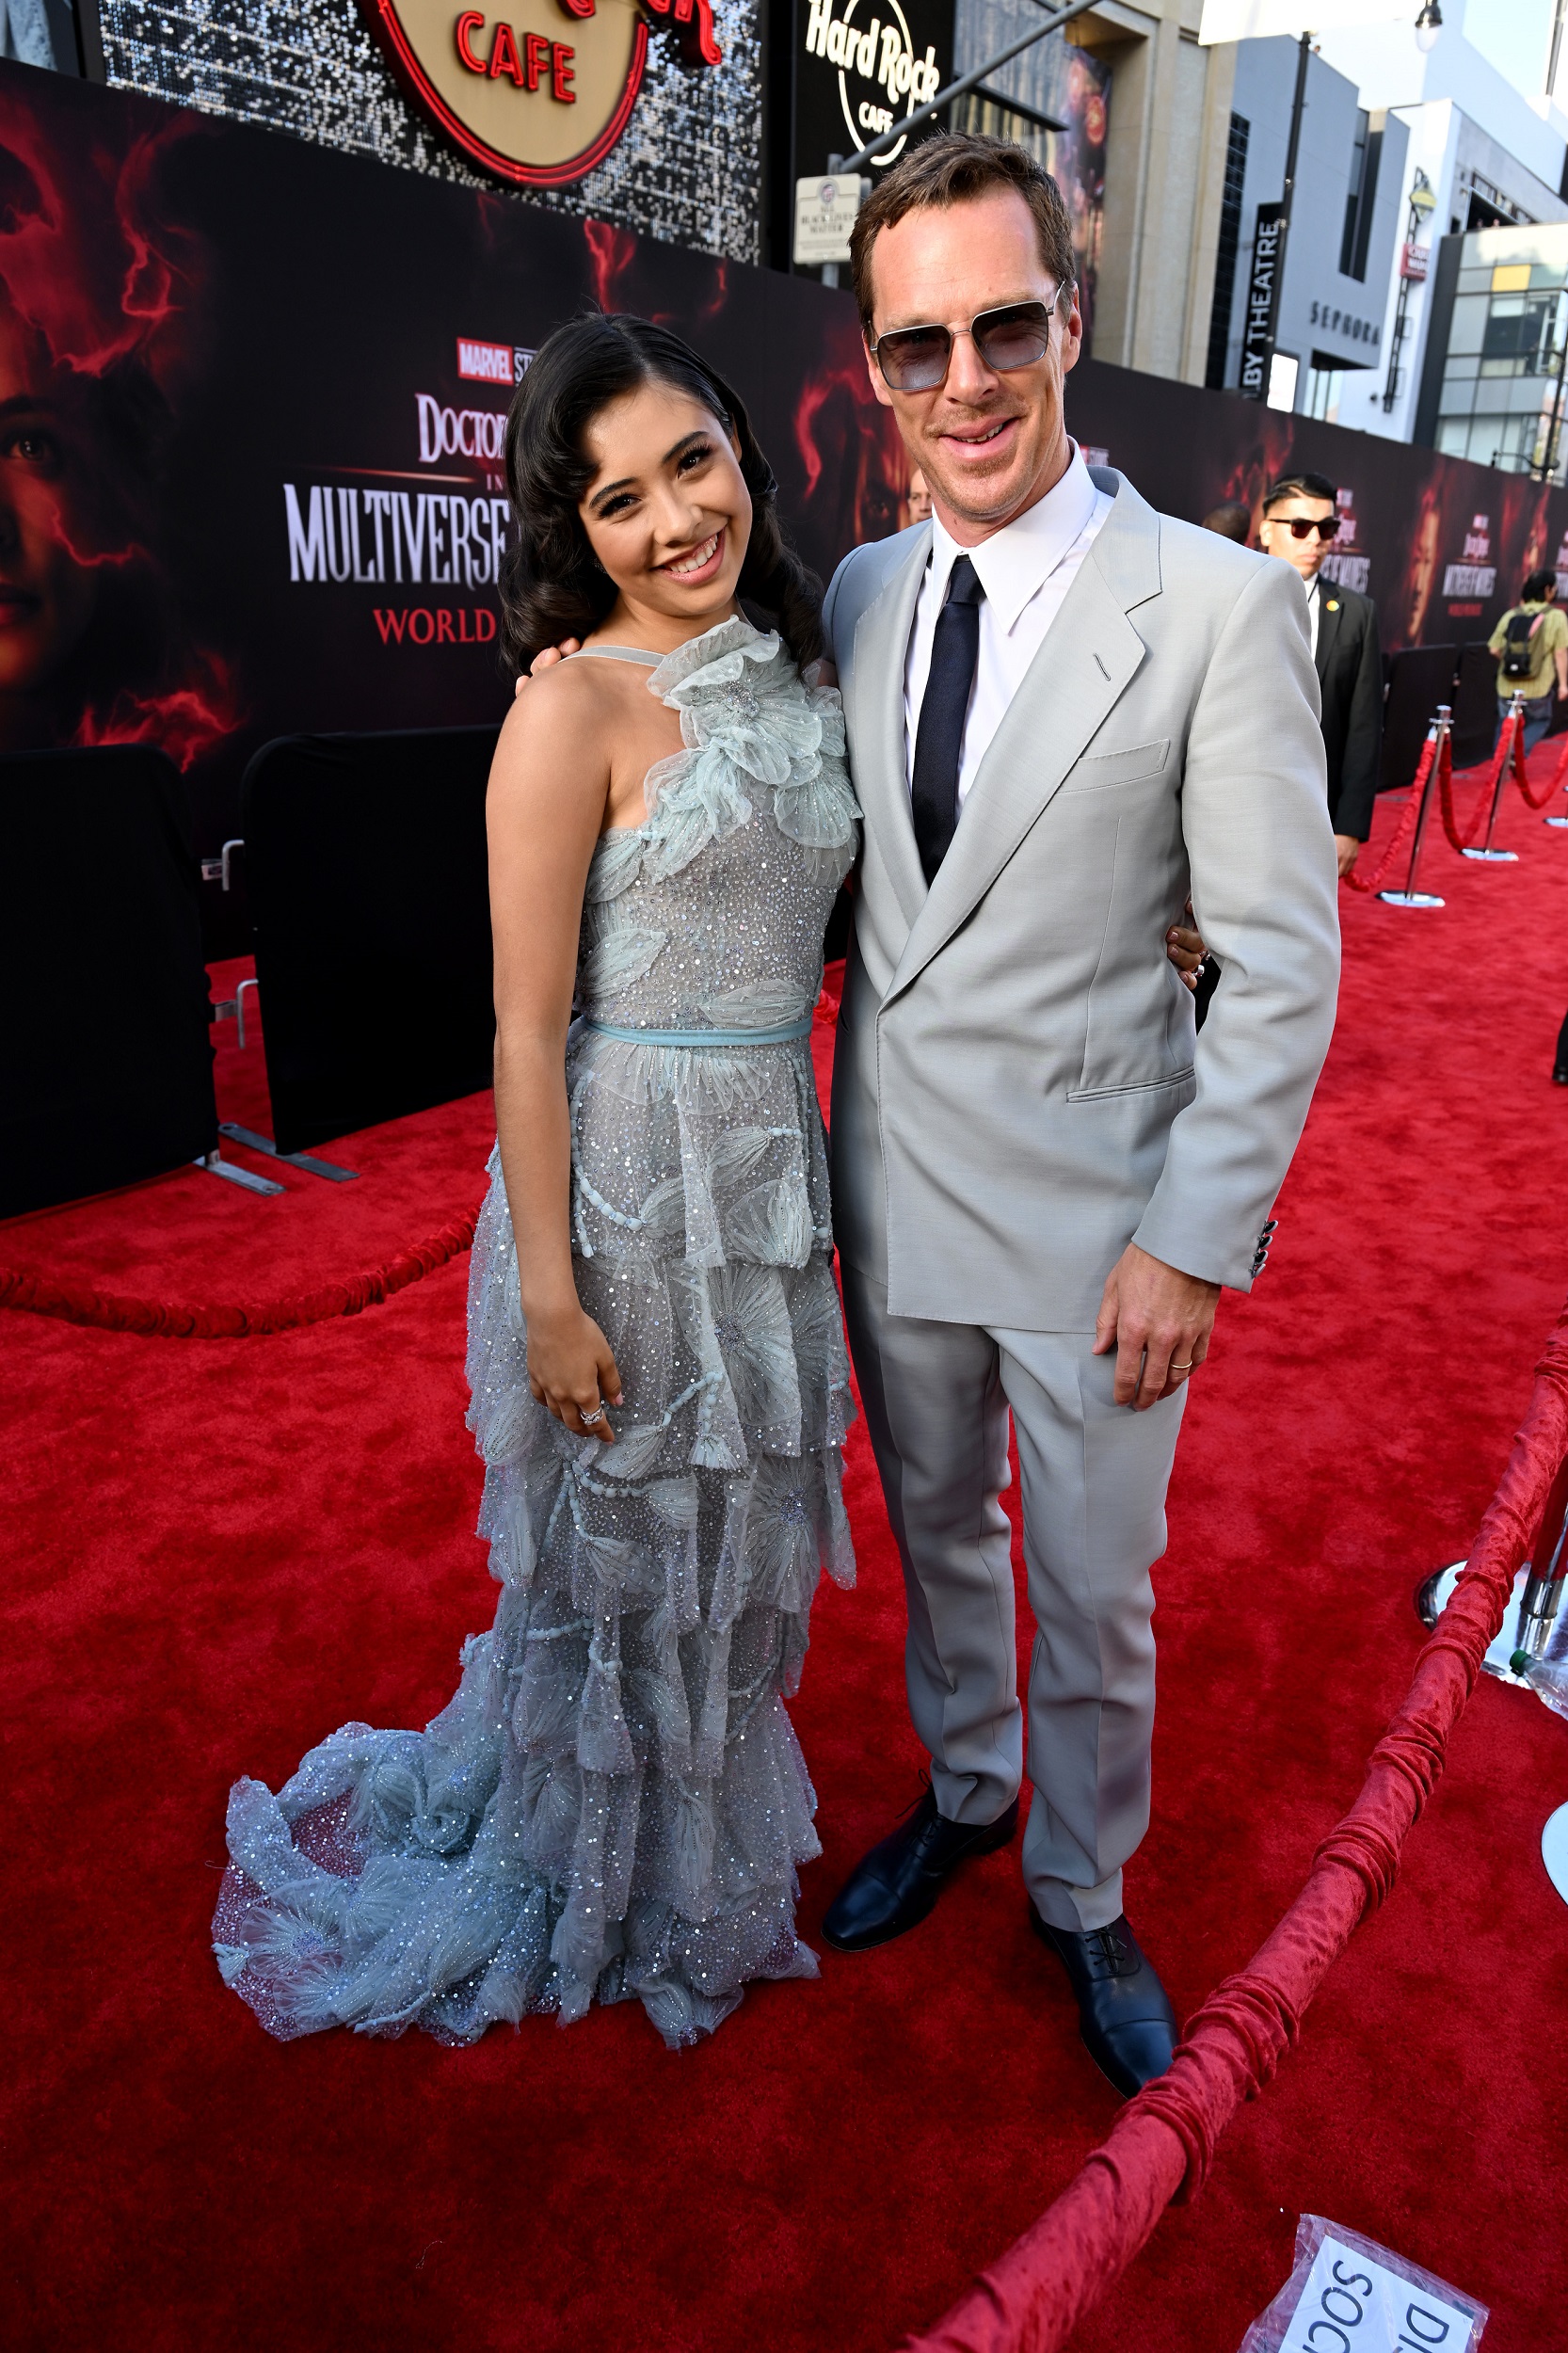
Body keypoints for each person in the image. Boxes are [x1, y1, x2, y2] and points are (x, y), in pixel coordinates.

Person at [211, 316, 864, 2051]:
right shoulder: (567, 706)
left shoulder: (804, 671)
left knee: (738, 1537)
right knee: (624, 1554)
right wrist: (554, 1297)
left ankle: (689, 1855)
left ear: (743, 449)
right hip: (631, 1188)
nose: (673, 521)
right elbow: (519, 1028)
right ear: (572, 528)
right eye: (617, 498)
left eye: (691, 464)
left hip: (766, 1173)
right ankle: (586, 1874)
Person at [818, 134, 1339, 2098]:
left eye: (1002, 326)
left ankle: (1083, 1883)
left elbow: (1279, 964)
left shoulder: (1215, 607)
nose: (962, 380)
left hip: (1103, 1226)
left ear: (1071, 323)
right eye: (916, 343)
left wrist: (1190, 1243)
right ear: (876, 366)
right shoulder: (859, 590)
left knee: (1092, 1592)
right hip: (894, 1196)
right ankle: (965, 1787)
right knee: (936, 1532)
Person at [1257, 470, 1382, 880]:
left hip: (1311, 812)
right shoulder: (1219, 594)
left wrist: (1349, 826)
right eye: (1300, 526)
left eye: (1327, 528)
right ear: (1267, 530)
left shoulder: (1357, 613)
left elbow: (1364, 727)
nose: (1315, 540)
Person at [1487, 567, 1568, 755]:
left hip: (1507, 685)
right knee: (1540, 720)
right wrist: (1563, 685)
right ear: (1548, 590)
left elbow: (1494, 648)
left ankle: (1498, 762)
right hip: (1537, 687)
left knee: (1504, 724)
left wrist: (1510, 662)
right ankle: (1516, 753)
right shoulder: (1556, 617)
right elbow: (1560, 653)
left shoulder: (1512, 614)